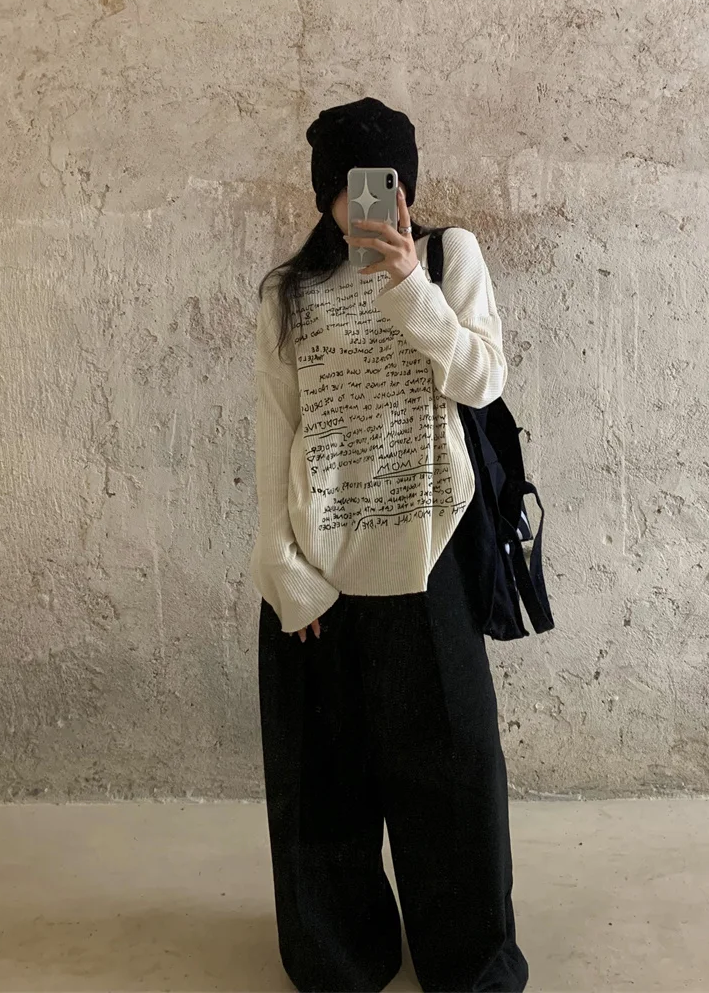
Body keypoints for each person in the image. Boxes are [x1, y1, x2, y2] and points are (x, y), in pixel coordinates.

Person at [252, 96, 529, 993]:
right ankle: (338, 957)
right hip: (322, 570)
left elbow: (483, 379)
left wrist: (411, 286)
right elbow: (274, 435)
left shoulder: (449, 257)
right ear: (325, 191)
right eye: (353, 184)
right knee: (323, 786)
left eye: (391, 181)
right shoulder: (289, 293)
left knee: (454, 776)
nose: (374, 200)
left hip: (430, 555)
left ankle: (469, 961)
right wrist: (283, 570)